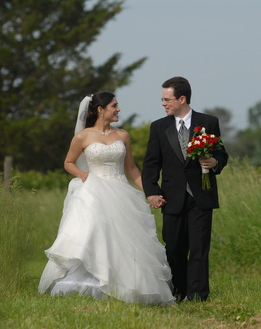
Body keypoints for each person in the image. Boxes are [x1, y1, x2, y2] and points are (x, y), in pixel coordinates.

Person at [38, 91, 175, 306]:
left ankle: (128, 286)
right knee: (93, 234)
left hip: (120, 192)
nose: (119, 109)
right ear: (101, 109)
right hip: (93, 192)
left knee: (125, 240)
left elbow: (132, 169)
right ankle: (89, 284)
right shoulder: (83, 136)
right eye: (114, 105)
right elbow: (68, 163)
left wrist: (150, 192)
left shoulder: (123, 135)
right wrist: (83, 175)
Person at [142, 77, 229, 302]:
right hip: (171, 198)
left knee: (199, 248)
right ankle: (178, 292)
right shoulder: (158, 127)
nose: (163, 103)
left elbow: (221, 154)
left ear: (182, 99)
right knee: (173, 248)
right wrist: (151, 192)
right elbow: (151, 164)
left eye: (167, 99)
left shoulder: (208, 122)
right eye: (163, 99)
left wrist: (214, 162)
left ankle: (198, 296)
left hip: (201, 196)